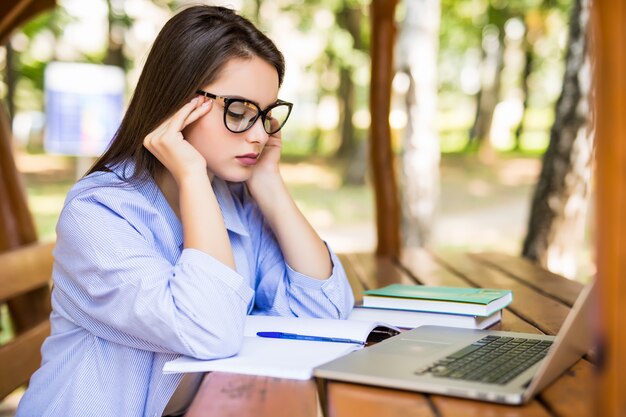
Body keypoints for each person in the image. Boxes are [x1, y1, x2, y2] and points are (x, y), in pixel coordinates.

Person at [16, 5, 354, 417]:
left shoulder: (234, 198)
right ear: (179, 103)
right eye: (239, 112)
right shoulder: (98, 213)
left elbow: (325, 313)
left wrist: (270, 185)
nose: (260, 135)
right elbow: (210, 330)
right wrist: (191, 175)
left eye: (266, 116)